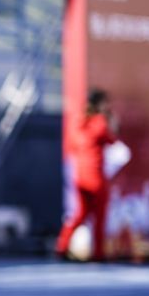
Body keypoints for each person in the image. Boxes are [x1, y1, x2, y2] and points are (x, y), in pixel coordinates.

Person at [55, 88, 119, 262]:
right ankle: (98, 253)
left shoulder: (78, 122)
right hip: (96, 176)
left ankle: (61, 246)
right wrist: (111, 120)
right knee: (100, 216)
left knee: (80, 214)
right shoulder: (100, 122)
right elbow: (113, 140)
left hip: (80, 175)